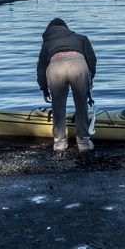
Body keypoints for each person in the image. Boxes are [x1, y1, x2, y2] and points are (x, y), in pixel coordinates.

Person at [36, 18, 97, 152]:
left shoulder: (47, 42)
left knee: (58, 106)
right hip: (78, 65)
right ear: (66, 27)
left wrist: (44, 88)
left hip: (55, 66)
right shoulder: (81, 38)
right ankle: (83, 143)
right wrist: (90, 78)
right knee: (81, 104)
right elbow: (91, 60)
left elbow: (41, 67)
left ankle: (60, 144)